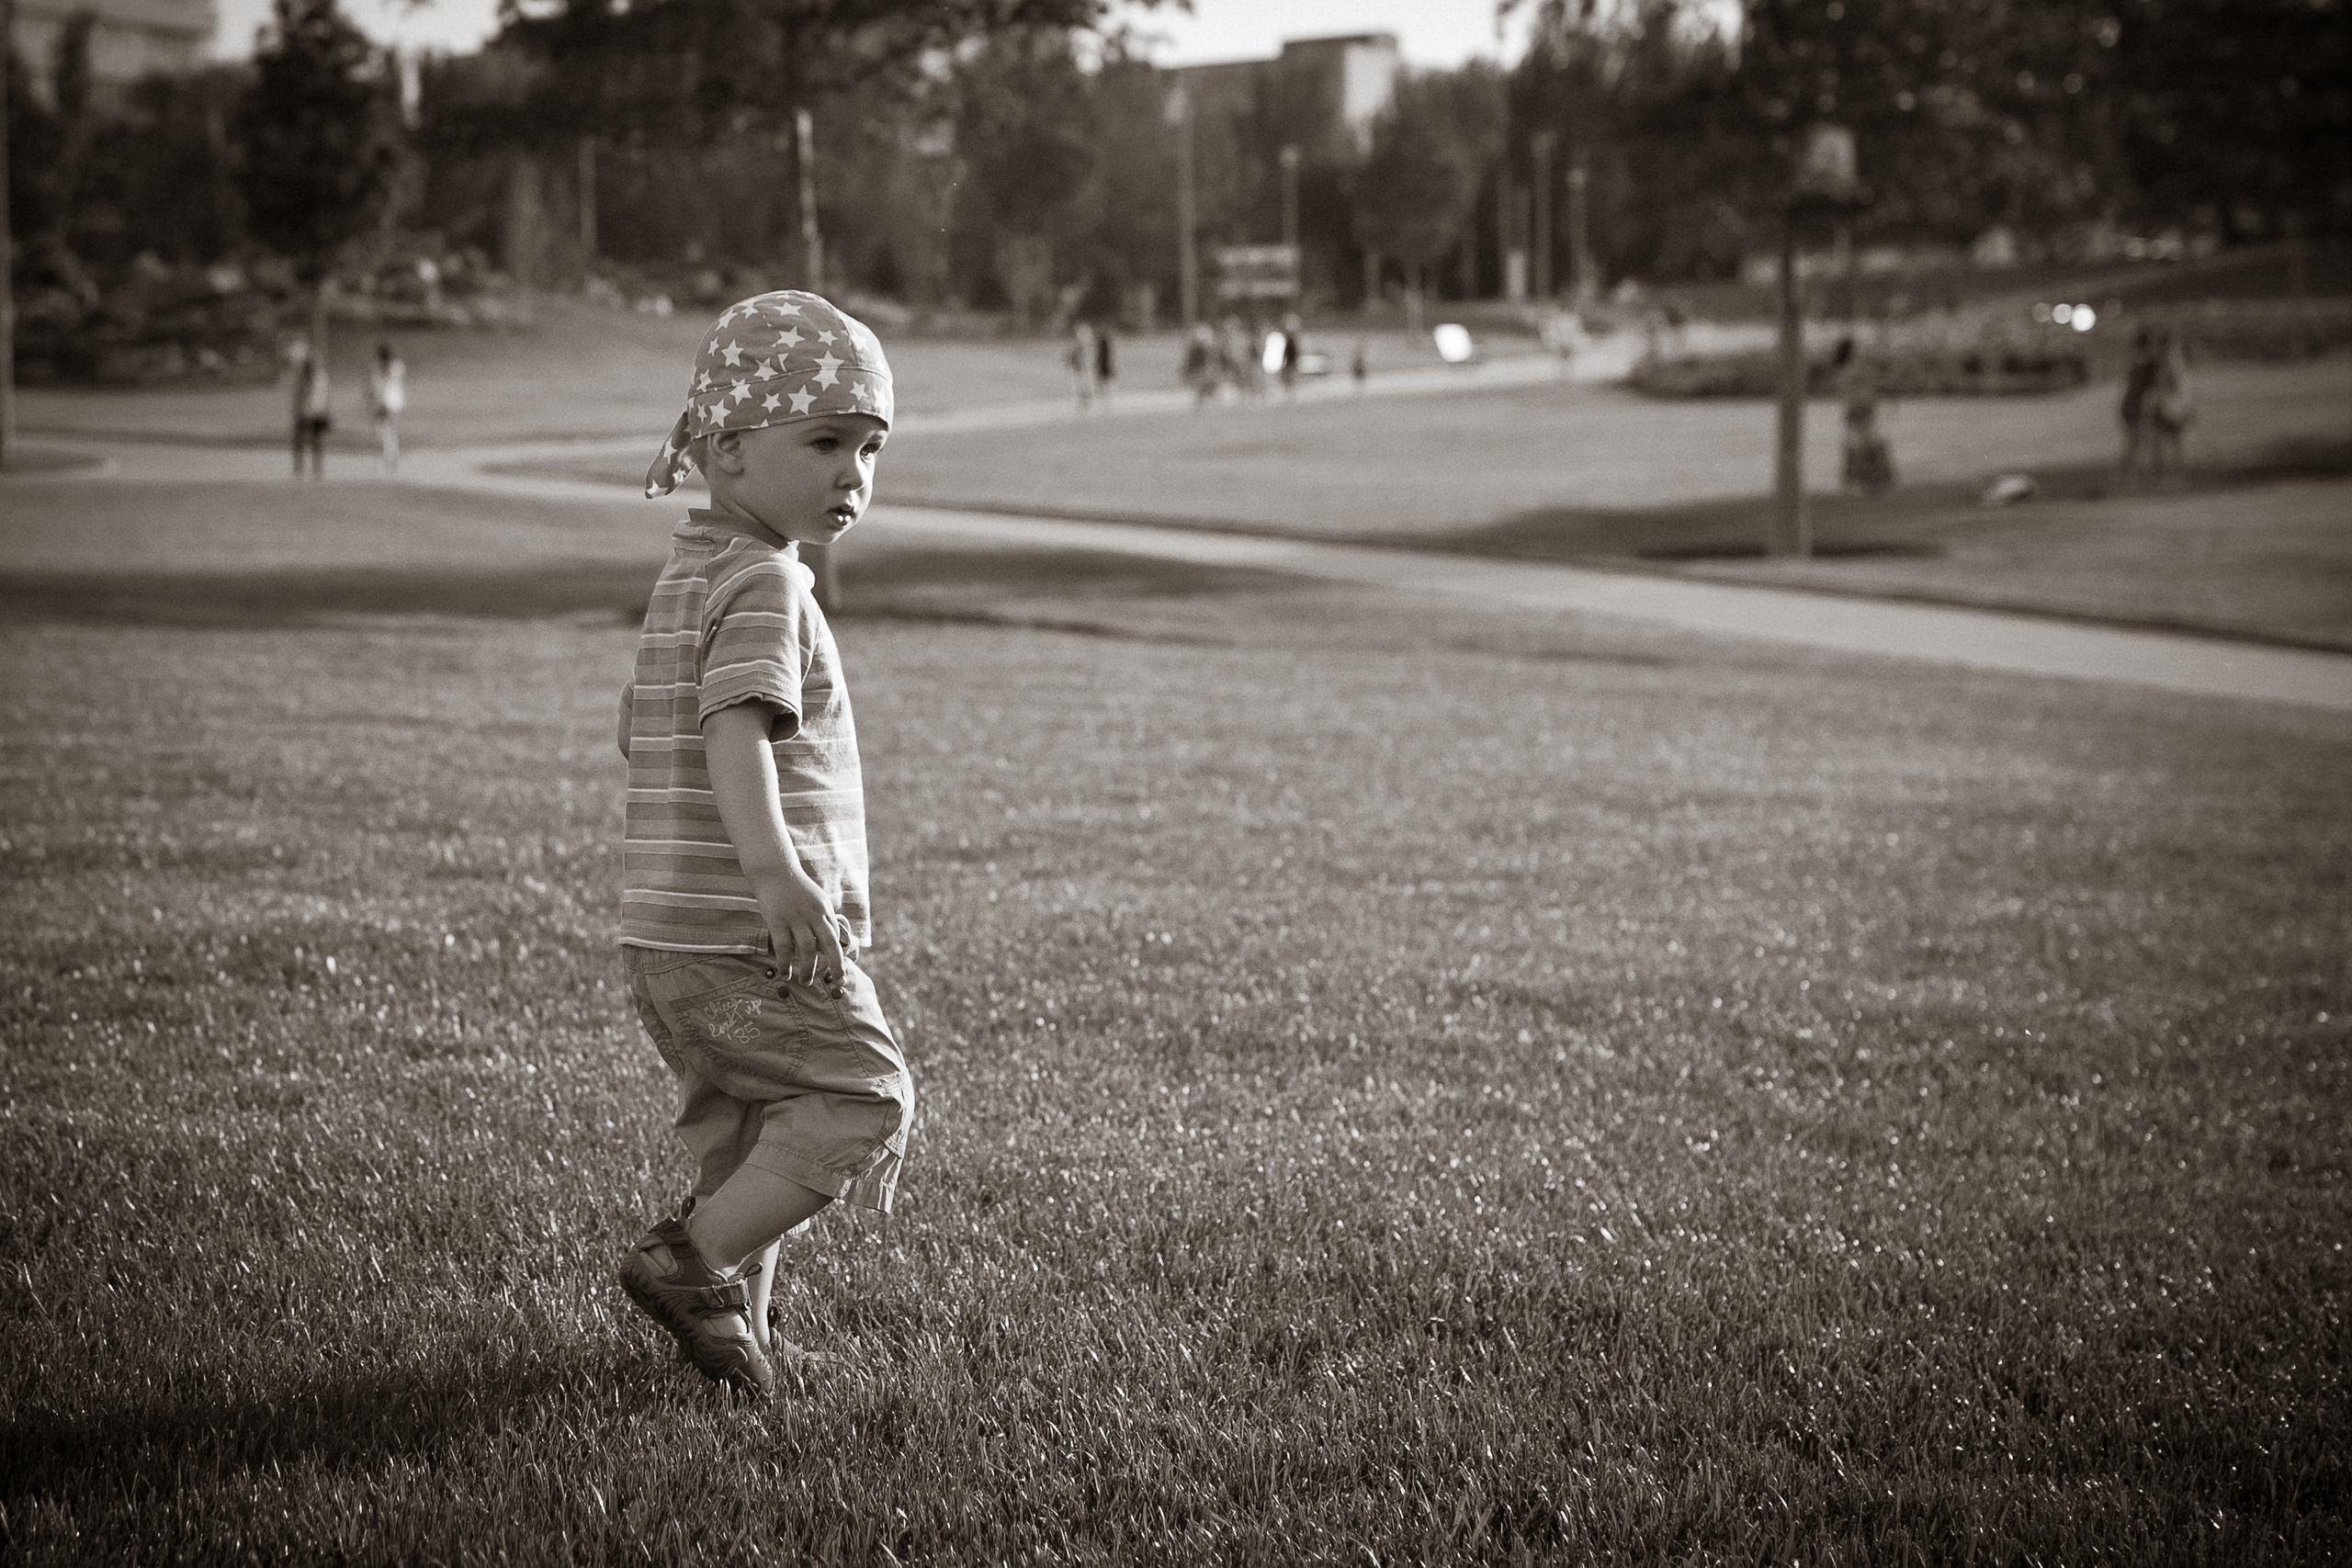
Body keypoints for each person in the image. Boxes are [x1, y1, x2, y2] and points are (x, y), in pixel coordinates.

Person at [618, 290, 916, 1398]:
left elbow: (637, 728)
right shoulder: (763, 580)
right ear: (730, 453)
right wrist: (775, 872)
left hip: (665, 937)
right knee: (860, 1097)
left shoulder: (687, 576)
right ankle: (686, 1262)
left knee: (750, 1145)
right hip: (750, 934)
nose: (854, 474)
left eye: (871, 448)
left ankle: (739, 1349)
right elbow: (732, 724)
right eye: (827, 441)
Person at [1833, 337, 1894, 495]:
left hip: (1860, 410)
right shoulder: (1851, 370)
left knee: (1862, 444)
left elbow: (1867, 386)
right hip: (1860, 410)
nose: (1858, 352)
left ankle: (1864, 481)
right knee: (1866, 444)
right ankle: (1869, 481)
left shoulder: (1846, 370)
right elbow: (1864, 387)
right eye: (1855, 350)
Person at [2117, 328, 2162, 485]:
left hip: (2130, 407)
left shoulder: (2137, 364)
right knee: (2140, 442)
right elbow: (2149, 391)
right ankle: (2135, 477)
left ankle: (2131, 476)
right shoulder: (2148, 366)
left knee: (2135, 443)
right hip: (2137, 408)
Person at [288, 338, 331, 480]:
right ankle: (305, 469)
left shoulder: (315, 377)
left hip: (312, 412)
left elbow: (324, 396)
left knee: (310, 441)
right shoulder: (312, 377)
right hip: (311, 412)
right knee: (307, 441)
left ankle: (308, 469)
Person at [367, 341, 406, 475]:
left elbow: (378, 385)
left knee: (384, 432)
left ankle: (390, 460)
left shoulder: (384, 367)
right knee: (389, 432)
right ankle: (392, 458)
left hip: (387, 401)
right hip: (396, 402)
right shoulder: (397, 366)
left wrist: (374, 401)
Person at [1182, 322, 1216, 409]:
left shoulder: (1201, 348)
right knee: (1202, 384)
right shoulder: (1197, 349)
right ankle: (1201, 400)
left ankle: (1202, 400)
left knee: (1205, 384)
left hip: (1201, 370)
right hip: (1199, 370)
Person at [1067, 320, 1098, 412]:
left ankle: (1086, 403)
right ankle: (1082, 403)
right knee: (1079, 386)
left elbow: (1091, 358)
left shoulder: (1088, 347)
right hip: (1078, 369)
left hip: (1084, 369)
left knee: (1086, 386)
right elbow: (1072, 358)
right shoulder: (1076, 347)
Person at [1278, 312, 1303, 399]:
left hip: (1291, 360)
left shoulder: (1292, 340)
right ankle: (1289, 392)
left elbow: (1294, 351)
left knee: (1290, 376)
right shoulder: (1289, 339)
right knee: (1288, 376)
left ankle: (1291, 392)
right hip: (1290, 360)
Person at [1093, 321, 1116, 407]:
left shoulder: (1103, 342)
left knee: (1104, 380)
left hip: (1104, 364)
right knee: (1104, 380)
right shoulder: (1104, 342)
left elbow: (1103, 355)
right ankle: (1105, 395)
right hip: (1104, 364)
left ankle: (1105, 395)